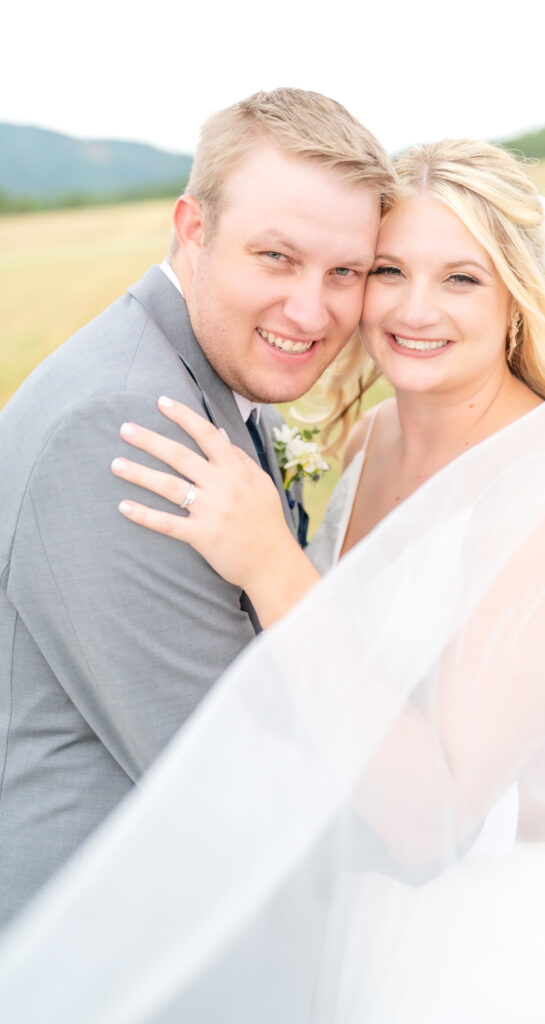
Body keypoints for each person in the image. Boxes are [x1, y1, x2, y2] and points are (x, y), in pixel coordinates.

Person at [1, 140, 545, 1022]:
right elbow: (308, 693)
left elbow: (430, 806)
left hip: (487, 943)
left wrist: (272, 563)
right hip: (345, 916)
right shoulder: (372, 440)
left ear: (516, 296)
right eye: (387, 271)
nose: (413, 308)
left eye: (461, 279)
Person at [0, 87, 395, 925]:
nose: (311, 311)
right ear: (193, 229)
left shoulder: (208, 375)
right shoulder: (122, 421)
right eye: (276, 258)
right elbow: (232, 785)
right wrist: (455, 802)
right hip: (101, 952)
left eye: (346, 272)